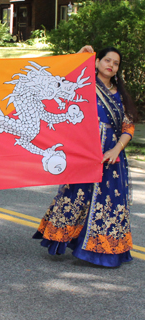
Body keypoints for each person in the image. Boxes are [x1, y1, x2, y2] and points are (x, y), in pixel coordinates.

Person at [33, 46, 137, 268]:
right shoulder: (87, 85)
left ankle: (102, 250)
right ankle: (65, 239)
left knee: (108, 200)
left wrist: (116, 149)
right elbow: (63, 79)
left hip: (112, 155)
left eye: (116, 63)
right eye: (107, 60)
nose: (111, 65)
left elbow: (128, 127)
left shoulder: (120, 94)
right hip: (86, 151)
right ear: (97, 62)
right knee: (77, 193)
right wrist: (80, 55)